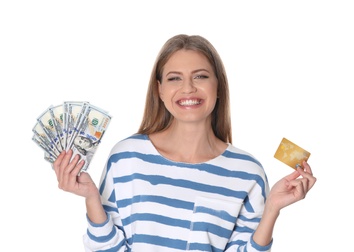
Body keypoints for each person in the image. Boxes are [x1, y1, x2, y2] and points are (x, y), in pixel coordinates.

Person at [53, 34, 316, 251]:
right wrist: (91, 198)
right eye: (174, 78)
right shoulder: (126, 157)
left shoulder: (248, 172)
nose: (188, 88)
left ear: (218, 86)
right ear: (160, 90)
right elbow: (106, 248)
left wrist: (271, 209)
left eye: (200, 76)